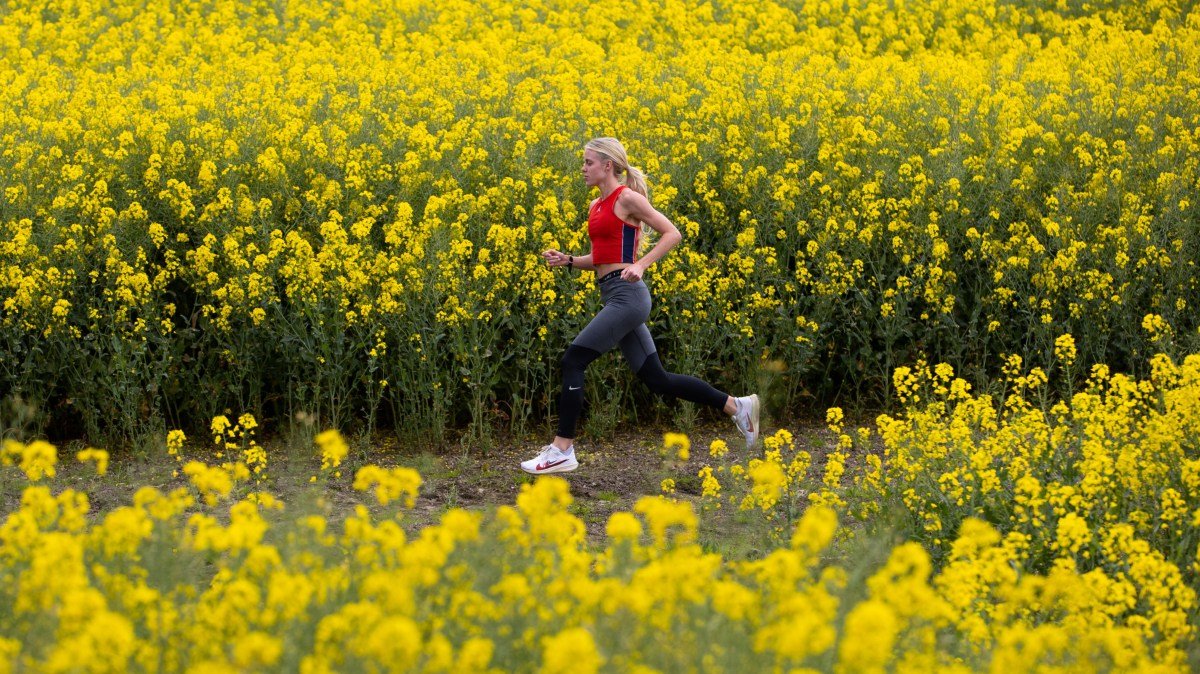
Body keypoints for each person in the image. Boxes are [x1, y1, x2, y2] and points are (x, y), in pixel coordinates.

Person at [521, 137, 760, 475]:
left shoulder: (627, 198)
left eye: (589, 163)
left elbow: (672, 233)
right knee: (657, 379)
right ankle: (738, 407)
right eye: (583, 162)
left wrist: (642, 264)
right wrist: (571, 260)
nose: (583, 168)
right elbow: (604, 259)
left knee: (574, 360)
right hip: (613, 294)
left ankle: (562, 449)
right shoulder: (596, 206)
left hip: (629, 296)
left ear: (608, 166)